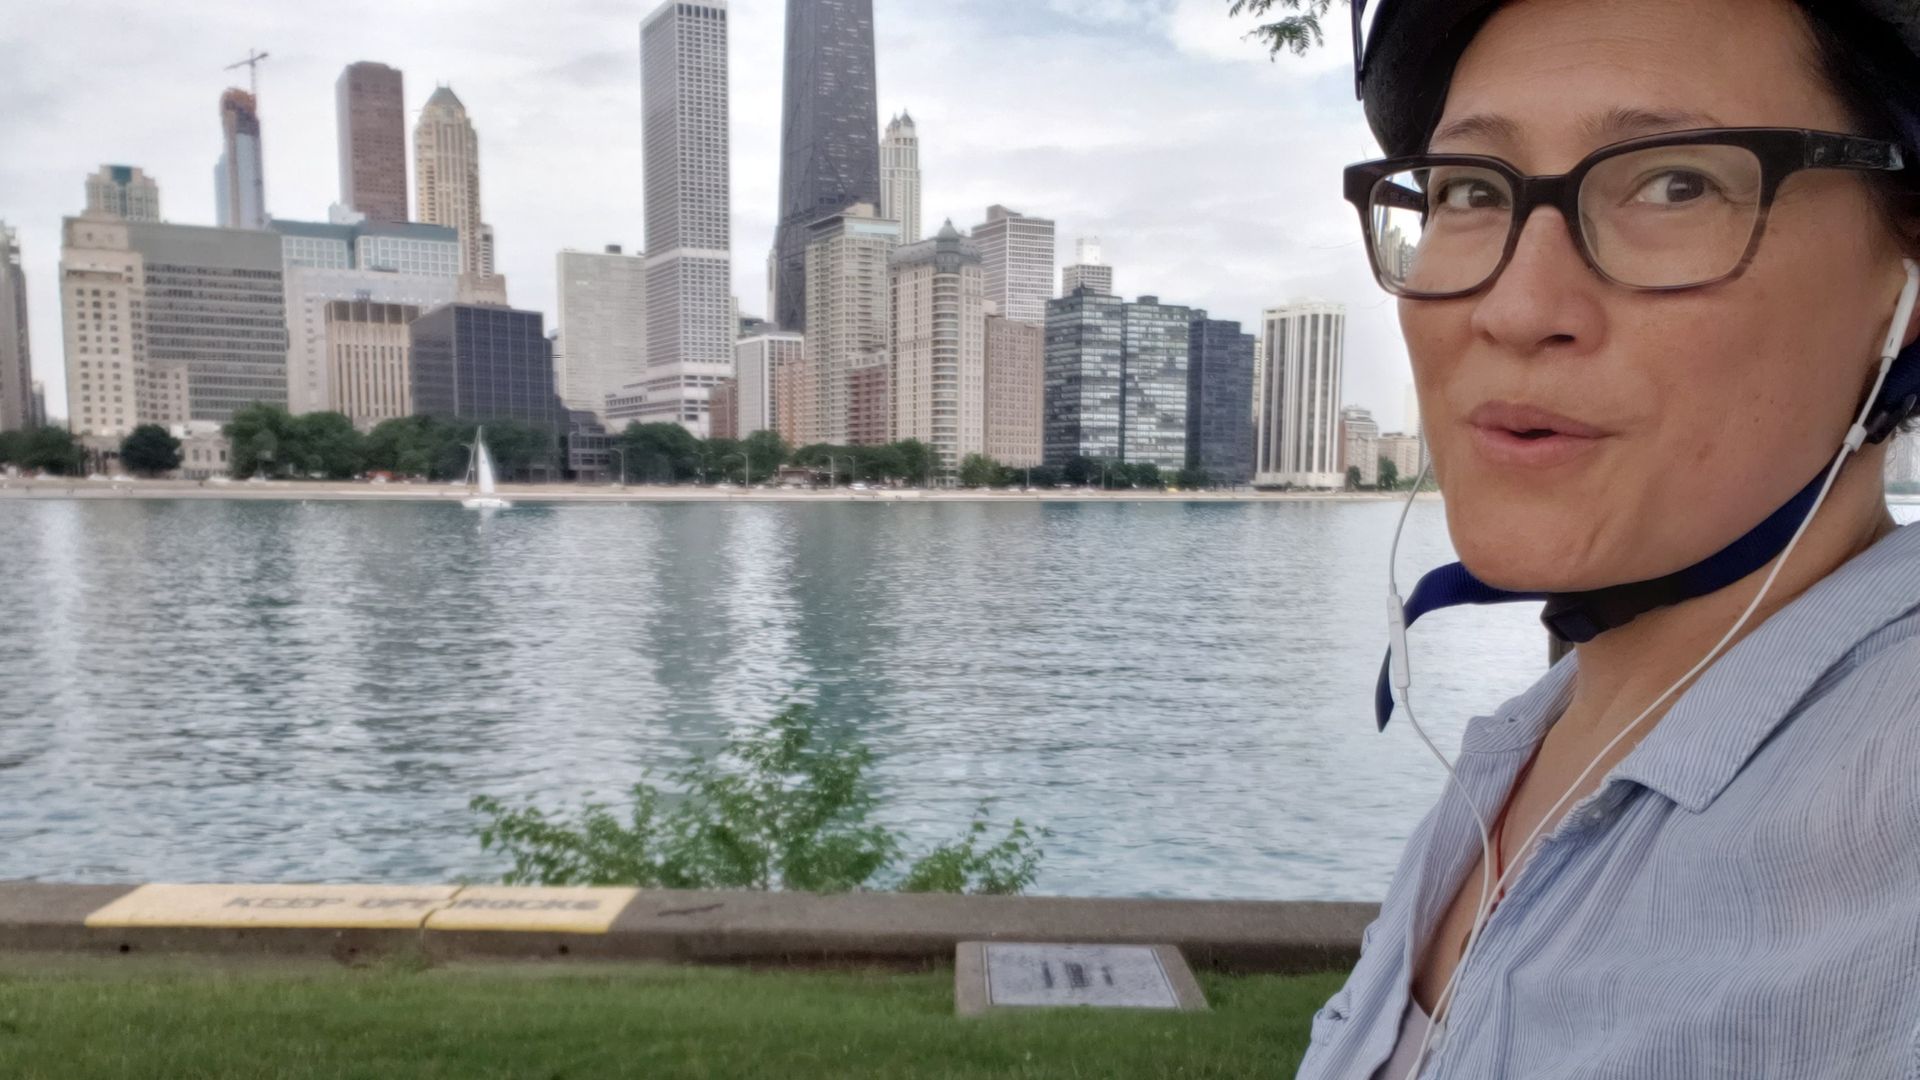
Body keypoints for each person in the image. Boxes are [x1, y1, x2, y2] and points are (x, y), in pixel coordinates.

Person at [1296, 1, 1920, 1077]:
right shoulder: (1516, 756)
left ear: (1905, 289)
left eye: (1676, 182)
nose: (1517, 303)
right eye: (1471, 192)